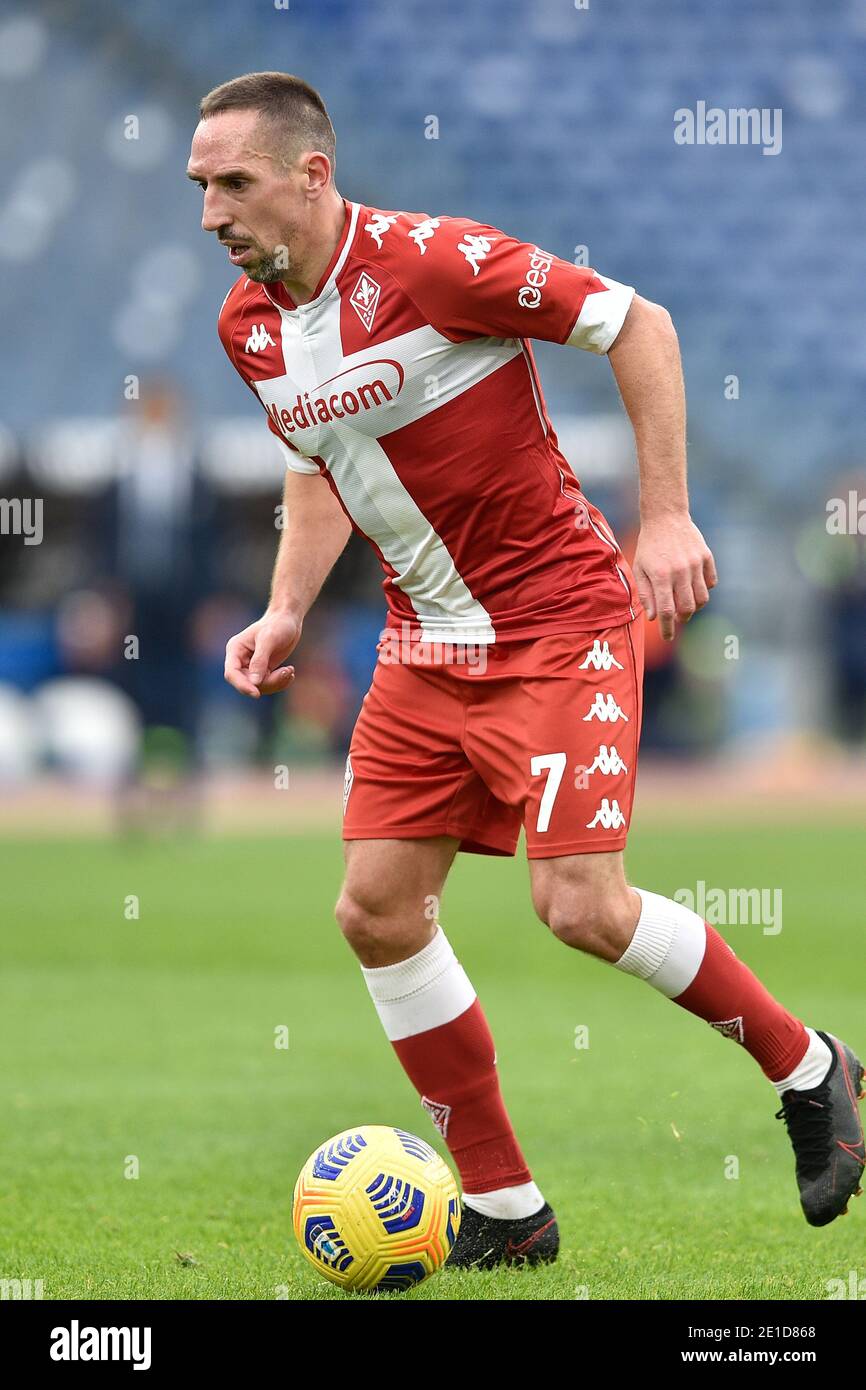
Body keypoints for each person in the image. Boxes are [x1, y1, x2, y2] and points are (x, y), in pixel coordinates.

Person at [187, 71, 864, 1268]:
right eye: (197, 187)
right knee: (377, 911)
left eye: (232, 183)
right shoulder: (246, 325)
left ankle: (809, 1067)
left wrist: (662, 517)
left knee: (578, 907)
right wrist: (286, 607)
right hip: (419, 646)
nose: (210, 213)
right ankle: (505, 1209)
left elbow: (635, 322)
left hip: (559, 624)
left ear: (311, 173)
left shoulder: (437, 261)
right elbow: (316, 461)